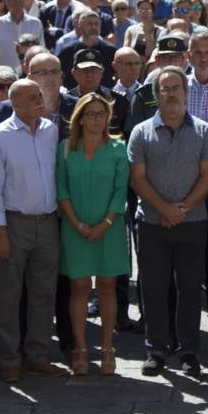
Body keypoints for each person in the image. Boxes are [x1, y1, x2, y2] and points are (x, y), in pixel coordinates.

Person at [128, 65, 208, 377]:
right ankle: (156, 349)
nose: (170, 93)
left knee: (190, 288)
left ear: (186, 92)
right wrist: (164, 209)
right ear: (156, 95)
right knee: (153, 288)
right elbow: (137, 179)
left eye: (175, 88)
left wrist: (181, 208)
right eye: (164, 89)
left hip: (193, 222)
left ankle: (188, 351)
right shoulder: (141, 132)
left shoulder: (205, 131)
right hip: (152, 223)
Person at [0, 79, 68, 382]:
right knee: (10, 294)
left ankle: (38, 356)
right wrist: (0, 232)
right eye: (31, 97)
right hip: (14, 223)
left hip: (47, 223)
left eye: (39, 96)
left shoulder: (50, 131)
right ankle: (8, 359)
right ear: (15, 103)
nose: (38, 101)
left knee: (44, 294)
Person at [57, 91, 129, 376]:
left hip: (108, 228)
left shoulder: (118, 148)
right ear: (80, 118)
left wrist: (105, 224)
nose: (97, 119)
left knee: (108, 286)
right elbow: (61, 188)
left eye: (102, 114)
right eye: (91, 114)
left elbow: (120, 190)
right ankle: (81, 349)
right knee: (79, 287)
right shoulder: (65, 148)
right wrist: (76, 224)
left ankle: (109, 348)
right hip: (75, 228)